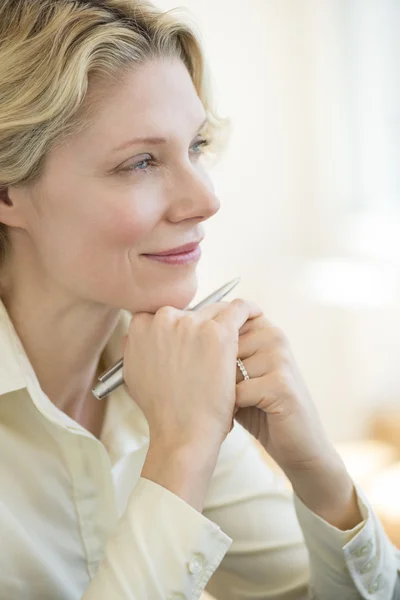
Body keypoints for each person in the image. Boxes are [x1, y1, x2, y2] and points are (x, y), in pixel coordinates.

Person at [0, 1, 398, 599]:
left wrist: (317, 471)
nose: (205, 199)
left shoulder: (167, 375)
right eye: (140, 162)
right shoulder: (182, 414)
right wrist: (182, 451)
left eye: (198, 146)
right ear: (8, 193)